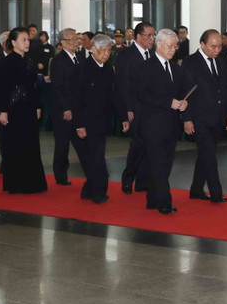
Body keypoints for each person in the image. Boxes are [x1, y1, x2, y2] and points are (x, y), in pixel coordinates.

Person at [135, 29, 191, 214]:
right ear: (158, 45)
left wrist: (184, 102)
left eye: (176, 46)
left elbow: (183, 90)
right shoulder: (146, 67)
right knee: (158, 162)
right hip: (152, 123)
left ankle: (153, 198)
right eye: (170, 46)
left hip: (171, 124)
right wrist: (168, 102)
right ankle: (164, 201)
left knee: (166, 162)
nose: (173, 50)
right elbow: (142, 94)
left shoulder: (176, 68)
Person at [180, 29, 227, 203]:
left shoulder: (220, 62)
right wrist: (187, 118)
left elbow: (225, 90)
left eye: (219, 46)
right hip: (198, 118)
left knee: (205, 154)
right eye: (213, 46)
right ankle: (216, 193)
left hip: (217, 117)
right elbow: (185, 91)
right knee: (209, 155)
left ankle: (196, 189)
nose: (217, 50)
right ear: (202, 44)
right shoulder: (190, 63)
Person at [0, 27, 47, 194]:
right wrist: (3, 111)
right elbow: (2, 88)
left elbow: (34, 86)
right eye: (23, 40)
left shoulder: (30, 60)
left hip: (29, 108)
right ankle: (16, 183)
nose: (27, 43)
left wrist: (38, 105)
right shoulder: (6, 62)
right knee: (15, 144)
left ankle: (32, 182)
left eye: (28, 40)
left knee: (31, 143)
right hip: (13, 108)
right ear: (13, 42)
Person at [75, 34, 120, 203]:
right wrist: (79, 124)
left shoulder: (108, 68)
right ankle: (98, 192)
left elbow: (114, 94)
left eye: (109, 50)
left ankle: (88, 190)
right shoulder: (83, 68)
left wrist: (123, 116)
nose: (106, 54)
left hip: (103, 120)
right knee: (96, 158)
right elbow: (76, 99)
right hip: (87, 121)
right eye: (103, 50)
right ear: (93, 49)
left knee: (96, 156)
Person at [119, 21, 155, 194]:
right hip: (135, 107)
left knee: (150, 145)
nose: (152, 39)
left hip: (152, 108)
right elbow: (122, 85)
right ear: (138, 36)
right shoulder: (126, 55)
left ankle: (143, 181)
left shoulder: (154, 54)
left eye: (153, 35)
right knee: (138, 144)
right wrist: (127, 109)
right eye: (148, 35)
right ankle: (128, 178)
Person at [50, 28, 83, 186]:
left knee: (81, 141)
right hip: (63, 110)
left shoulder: (79, 58)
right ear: (62, 43)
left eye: (77, 39)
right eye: (72, 39)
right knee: (62, 144)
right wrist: (65, 108)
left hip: (78, 108)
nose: (76, 42)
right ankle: (60, 175)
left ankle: (91, 170)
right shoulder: (58, 60)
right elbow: (57, 87)